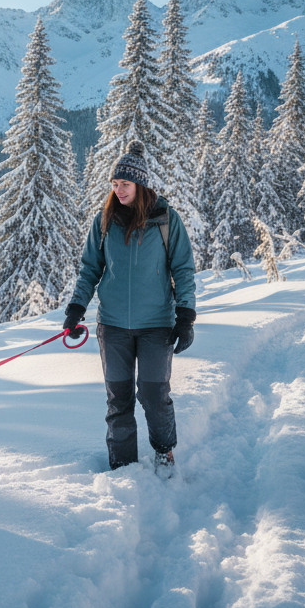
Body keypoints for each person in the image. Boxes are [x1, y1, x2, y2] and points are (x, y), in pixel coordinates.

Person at [64, 140, 196, 472]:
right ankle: (122, 468)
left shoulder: (167, 220)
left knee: (154, 396)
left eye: (125, 184)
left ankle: (164, 451)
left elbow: (183, 269)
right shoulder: (105, 220)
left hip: (156, 325)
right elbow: (90, 268)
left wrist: (186, 315)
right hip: (113, 326)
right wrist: (76, 308)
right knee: (118, 401)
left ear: (140, 185)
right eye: (115, 184)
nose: (119, 190)